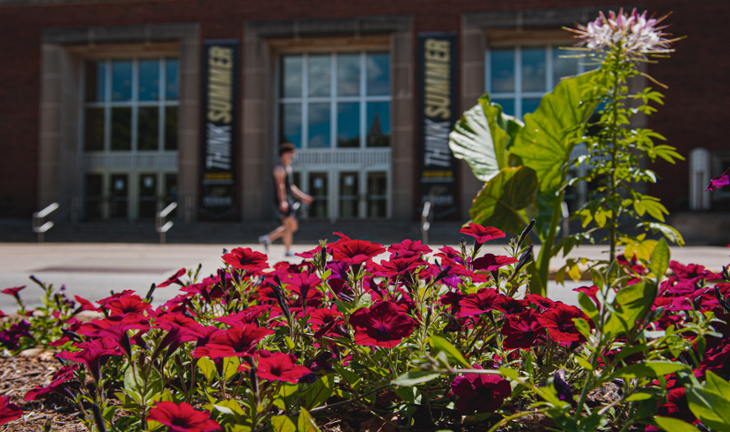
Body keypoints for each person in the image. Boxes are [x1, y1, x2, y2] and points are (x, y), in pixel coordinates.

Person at [258, 143, 313, 256]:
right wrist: (283, 201)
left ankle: (267, 238)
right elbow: (280, 186)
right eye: (291, 153)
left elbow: (291, 187)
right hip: (284, 200)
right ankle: (287, 250)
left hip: (288, 199)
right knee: (290, 225)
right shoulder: (279, 168)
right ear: (284, 154)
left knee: (291, 226)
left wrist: (303, 197)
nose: (293, 156)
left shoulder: (288, 168)